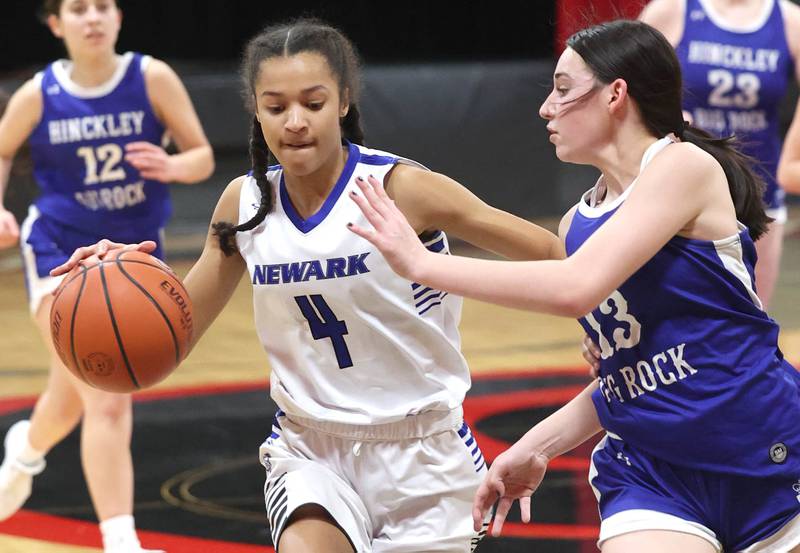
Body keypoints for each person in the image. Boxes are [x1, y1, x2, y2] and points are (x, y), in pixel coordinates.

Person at [52, 17, 565, 553]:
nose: (295, 121)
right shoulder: (243, 205)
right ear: (256, 109)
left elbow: (552, 252)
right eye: (276, 107)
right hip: (311, 451)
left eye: (313, 104)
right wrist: (112, 278)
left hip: (425, 455)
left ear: (343, 101)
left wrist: (601, 322)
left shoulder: (404, 189)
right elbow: (171, 338)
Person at [347, 19, 800, 553]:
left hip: (761, 446)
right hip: (651, 472)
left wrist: (420, 264)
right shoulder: (575, 224)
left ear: (615, 95)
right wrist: (537, 444)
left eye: (563, 90)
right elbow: (635, 374)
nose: (546, 108)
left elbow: (574, 288)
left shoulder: (683, 166)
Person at [0, 1, 214, 551]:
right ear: (55, 23)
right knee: (107, 392)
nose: (92, 18)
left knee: (71, 394)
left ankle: (24, 451)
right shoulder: (39, 93)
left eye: (102, 6)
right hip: (58, 252)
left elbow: (202, 155)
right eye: (77, 8)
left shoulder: (151, 77)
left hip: (131, 255)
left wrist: (174, 166)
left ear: (118, 17)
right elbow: (1, 150)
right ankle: (121, 541)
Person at [638, 0, 800, 309]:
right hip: (677, 186)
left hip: (757, 188)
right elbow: (625, 81)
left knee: (751, 314)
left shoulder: (789, 20)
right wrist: (666, 114)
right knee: (667, 309)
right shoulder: (672, 10)